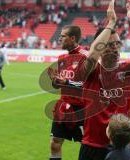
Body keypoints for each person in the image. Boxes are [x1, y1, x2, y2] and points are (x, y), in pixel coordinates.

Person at [75, 0, 130, 160]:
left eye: (117, 44)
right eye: (110, 44)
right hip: (93, 145)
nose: (115, 48)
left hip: (122, 146)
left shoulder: (127, 70)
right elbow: (91, 56)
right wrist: (111, 23)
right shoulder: (90, 71)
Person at [47, 25, 88, 160]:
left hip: (82, 109)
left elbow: (89, 87)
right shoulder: (62, 58)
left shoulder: (85, 57)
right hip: (63, 107)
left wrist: (67, 83)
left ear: (72, 38)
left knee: (88, 146)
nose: (60, 39)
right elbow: (61, 83)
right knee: (54, 144)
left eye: (63, 36)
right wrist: (55, 81)